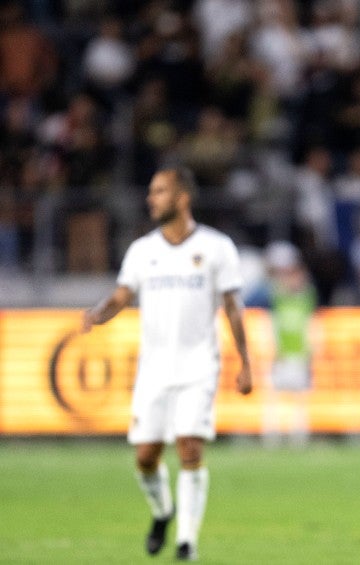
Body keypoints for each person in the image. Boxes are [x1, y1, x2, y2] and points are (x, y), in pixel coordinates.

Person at [81, 166, 252, 561]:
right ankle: (163, 513)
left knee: (190, 447)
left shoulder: (216, 247)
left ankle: (186, 542)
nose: (150, 198)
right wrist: (98, 313)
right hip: (153, 370)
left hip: (199, 366)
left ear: (182, 198)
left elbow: (232, 307)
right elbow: (121, 296)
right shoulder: (143, 251)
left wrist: (245, 362)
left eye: (158, 192)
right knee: (146, 457)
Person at [247, 240, 317, 448]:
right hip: (279, 356)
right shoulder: (269, 294)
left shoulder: (306, 296)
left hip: (298, 354)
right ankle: (272, 437)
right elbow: (251, 303)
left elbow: (310, 326)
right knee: (273, 399)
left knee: (299, 400)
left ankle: (298, 437)